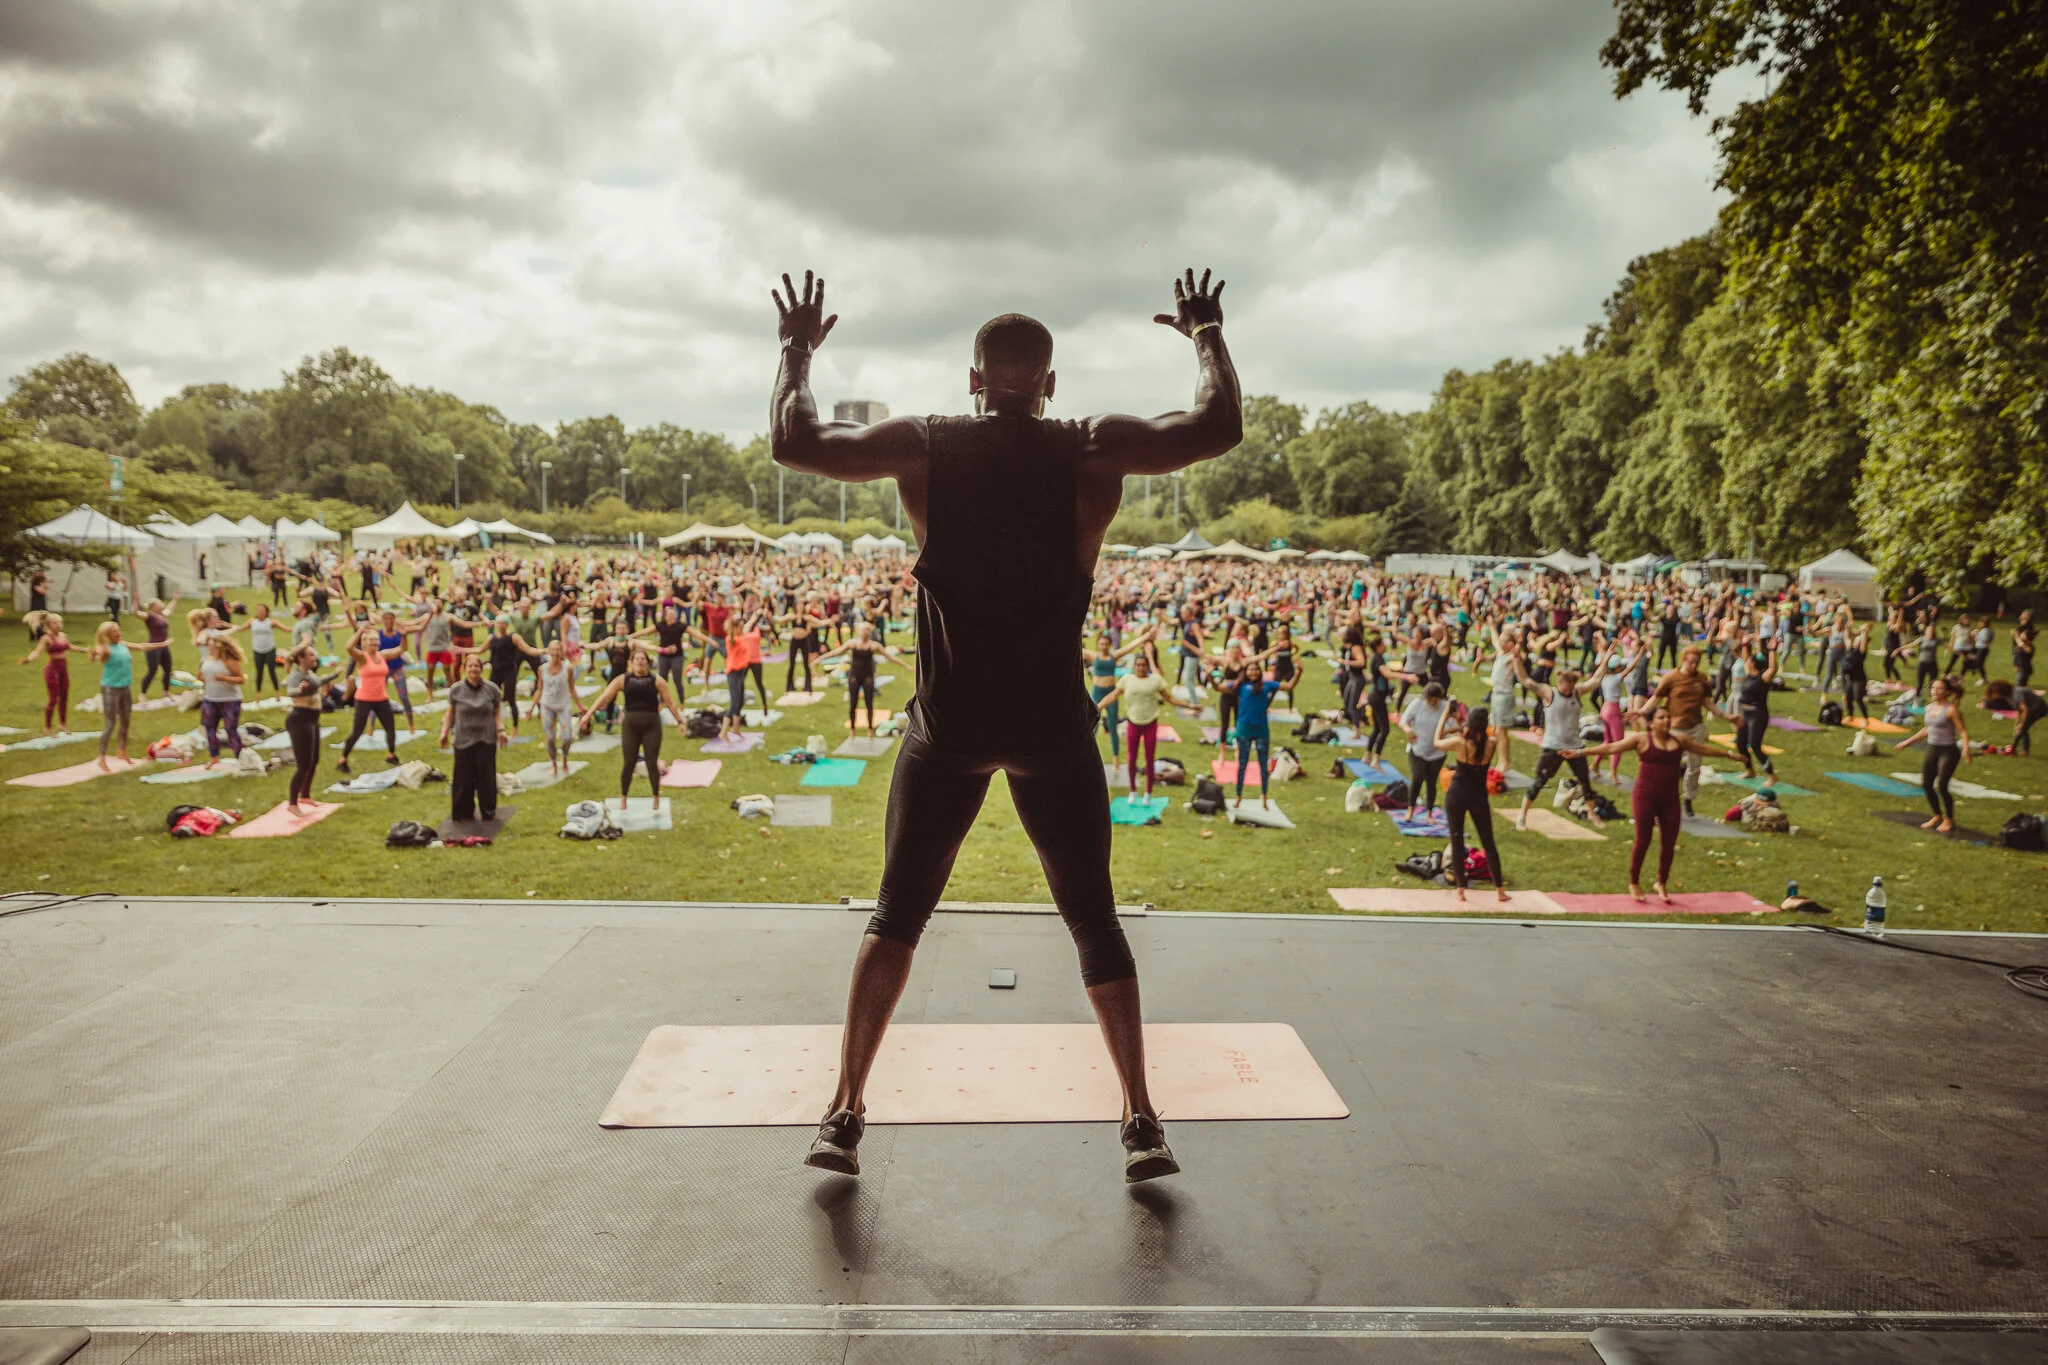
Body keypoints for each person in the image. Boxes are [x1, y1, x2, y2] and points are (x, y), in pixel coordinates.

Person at [770, 265, 1242, 1181]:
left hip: (948, 727)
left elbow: (795, 441)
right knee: (1096, 924)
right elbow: (1213, 427)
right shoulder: (1093, 447)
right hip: (1050, 728)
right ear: (1052, 384)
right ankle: (1142, 1118)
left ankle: (844, 1114)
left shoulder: (925, 445)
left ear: (974, 380)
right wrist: (1205, 335)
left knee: (895, 917)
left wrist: (797, 349)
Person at [1573, 710, 1722, 903]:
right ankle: (1634, 882)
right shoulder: (1642, 739)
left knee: (1669, 843)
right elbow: (1611, 748)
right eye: (1661, 717)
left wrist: (1730, 756)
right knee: (1643, 840)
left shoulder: (1680, 740)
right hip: (1645, 797)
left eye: (1668, 717)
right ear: (1651, 723)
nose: (1667, 720)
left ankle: (1661, 882)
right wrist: (1580, 752)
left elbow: (1702, 749)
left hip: (1670, 800)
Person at [1512, 648, 1617, 831]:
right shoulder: (1549, 693)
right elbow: (1525, 680)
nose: (1567, 690)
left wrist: (1606, 658)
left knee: (1585, 782)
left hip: (1574, 746)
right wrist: (1516, 659)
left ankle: (1593, 814)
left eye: (1569, 687)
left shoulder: (1577, 692)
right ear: (1559, 683)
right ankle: (1522, 815)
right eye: (1564, 687)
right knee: (1539, 782)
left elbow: (1595, 680)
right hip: (1552, 746)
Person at [577, 645, 687, 808]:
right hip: (630, 726)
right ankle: (623, 798)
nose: (640, 662)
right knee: (629, 763)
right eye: (637, 659)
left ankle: (655, 797)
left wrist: (680, 721)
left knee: (651, 763)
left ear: (648, 663)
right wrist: (588, 714)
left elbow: (670, 703)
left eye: (643, 659)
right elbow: (605, 698)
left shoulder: (657, 680)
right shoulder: (623, 679)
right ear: (631, 662)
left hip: (652, 725)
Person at [1434, 704, 1509, 904]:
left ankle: (1460, 889)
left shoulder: (1460, 743)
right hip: (1478, 796)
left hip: (1457, 794)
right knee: (1488, 842)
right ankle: (1500, 889)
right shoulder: (1491, 743)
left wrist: (1445, 715)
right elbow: (1494, 735)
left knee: (1457, 840)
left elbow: (1437, 741)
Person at [1647, 645, 1733, 818]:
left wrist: (1725, 715)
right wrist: (1641, 712)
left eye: (1697, 662)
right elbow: (1656, 698)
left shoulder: (1701, 678)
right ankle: (1664, 801)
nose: (1694, 665)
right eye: (1691, 662)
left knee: (1695, 766)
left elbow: (1707, 702)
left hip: (1696, 726)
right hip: (1676, 727)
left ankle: (1688, 798)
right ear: (1683, 660)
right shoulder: (1671, 678)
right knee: (1670, 766)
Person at [439, 654, 509, 824]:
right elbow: (450, 713)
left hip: (486, 739)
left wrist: (501, 730)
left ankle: (488, 811)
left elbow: (497, 713)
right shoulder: (456, 690)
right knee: (463, 779)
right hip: (463, 739)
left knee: (486, 778)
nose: (473, 669)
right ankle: (463, 813)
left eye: (476, 666)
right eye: (470, 666)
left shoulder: (492, 689)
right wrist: (444, 732)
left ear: (481, 669)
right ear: (464, 669)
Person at [1896, 676, 1971, 833]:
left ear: (1947, 692)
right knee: (1926, 784)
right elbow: (1927, 729)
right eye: (1933, 688)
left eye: (1939, 689)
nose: (1935, 691)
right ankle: (1937, 815)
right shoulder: (1929, 708)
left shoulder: (1951, 710)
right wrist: (1907, 741)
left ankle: (1949, 819)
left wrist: (1966, 748)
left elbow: (1962, 730)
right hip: (1932, 749)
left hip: (1948, 751)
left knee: (1943, 785)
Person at [88, 620, 167, 769]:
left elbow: (142, 646)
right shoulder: (105, 648)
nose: (119, 633)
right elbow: (99, 653)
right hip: (111, 689)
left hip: (125, 688)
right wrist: (95, 655)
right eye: (115, 631)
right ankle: (101, 757)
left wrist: (162, 644)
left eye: (119, 630)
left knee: (125, 721)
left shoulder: (122, 645)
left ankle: (122, 751)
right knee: (110, 723)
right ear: (107, 635)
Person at [335, 628, 406, 774]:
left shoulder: (383, 656)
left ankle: (391, 755)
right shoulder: (362, 657)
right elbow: (348, 647)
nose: (374, 642)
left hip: (381, 698)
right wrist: (360, 630)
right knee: (357, 731)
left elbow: (402, 649)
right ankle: (343, 759)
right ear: (364, 643)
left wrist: (403, 635)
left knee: (390, 729)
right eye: (371, 640)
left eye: (376, 640)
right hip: (364, 699)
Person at [1100, 651, 1168, 803]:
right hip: (1133, 723)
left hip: (1150, 723)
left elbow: (1169, 697)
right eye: (1138, 665)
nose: (1141, 668)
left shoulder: (1154, 680)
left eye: (1144, 665)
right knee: (1131, 759)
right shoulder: (1127, 680)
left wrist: (1189, 705)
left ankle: (1148, 793)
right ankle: (1133, 790)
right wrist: (1098, 706)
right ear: (1134, 666)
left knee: (1149, 758)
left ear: (1147, 667)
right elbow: (1113, 695)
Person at [818, 622, 903, 738]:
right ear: (859, 631)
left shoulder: (874, 646)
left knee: (869, 704)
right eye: (864, 629)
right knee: (853, 704)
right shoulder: (852, 644)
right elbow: (836, 652)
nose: (866, 632)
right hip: (854, 677)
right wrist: (820, 658)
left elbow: (890, 657)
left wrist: (905, 665)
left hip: (868, 677)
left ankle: (870, 730)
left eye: (868, 630)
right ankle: (852, 730)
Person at [281, 643, 339, 814]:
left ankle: (305, 795)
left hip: (313, 720)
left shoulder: (309, 673)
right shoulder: (296, 674)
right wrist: (298, 690)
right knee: (303, 764)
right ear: (301, 659)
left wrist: (335, 674)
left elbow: (318, 682)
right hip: (300, 720)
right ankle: (292, 803)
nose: (315, 658)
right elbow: (290, 690)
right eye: (311, 655)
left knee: (314, 760)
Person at [1222, 658, 1279, 808]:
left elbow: (1289, 686)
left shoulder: (1266, 685)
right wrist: (1209, 677)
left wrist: (1298, 673)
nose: (1253, 672)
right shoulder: (1241, 686)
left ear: (1260, 672)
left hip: (1261, 730)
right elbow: (1219, 688)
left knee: (1262, 764)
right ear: (1246, 673)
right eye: (1250, 670)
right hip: (1244, 729)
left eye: (1256, 669)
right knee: (1242, 764)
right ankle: (1238, 796)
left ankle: (1264, 796)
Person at [1396, 680, 1450, 819]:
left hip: (1437, 752)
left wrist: (1447, 733)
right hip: (1417, 748)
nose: (1432, 702)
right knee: (1417, 777)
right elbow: (1403, 721)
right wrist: (1409, 731)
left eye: (1435, 700)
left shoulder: (1445, 707)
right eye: (1429, 699)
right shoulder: (1417, 704)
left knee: (1431, 781)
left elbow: (1453, 726)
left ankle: (1429, 812)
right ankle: (1410, 809)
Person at [1730, 641, 1781, 781]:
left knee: (1754, 745)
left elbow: (1773, 667)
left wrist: (1772, 650)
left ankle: (1771, 776)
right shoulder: (1749, 675)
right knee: (1740, 743)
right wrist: (1745, 643)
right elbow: (1746, 656)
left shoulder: (1763, 678)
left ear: (1752, 664)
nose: (1745, 661)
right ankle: (1750, 770)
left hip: (1758, 715)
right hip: (1745, 714)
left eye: (1748, 661)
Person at [533, 640, 582, 777]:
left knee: (567, 737)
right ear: (548, 651)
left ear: (561, 652)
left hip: (563, 706)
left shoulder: (568, 668)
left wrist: (580, 706)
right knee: (549, 738)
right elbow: (539, 689)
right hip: (547, 706)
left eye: (557, 650)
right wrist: (531, 708)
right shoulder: (542, 669)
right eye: (552, 649)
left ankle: (564, 758)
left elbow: (572, 688)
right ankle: (553, 763)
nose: (555, 652)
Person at [197, 635, 247, 768]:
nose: (209, 648)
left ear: (218, 647)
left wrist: (224, 678)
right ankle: (214, 757)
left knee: (230, 729)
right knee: (210, 729)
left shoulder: (228, 660)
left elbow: (241, 679)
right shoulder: (206, 659)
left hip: (230, 700)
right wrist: (201, 677)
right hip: (210, 699)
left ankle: (240, 757)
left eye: (211, 646)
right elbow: (203, 677)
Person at [20, 612, 73, 734]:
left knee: (64, 697)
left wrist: (84, 650)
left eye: (59, 622)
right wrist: (29, 659)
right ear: (48, 625)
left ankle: (62, 724)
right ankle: (47, 727)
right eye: (55, 623)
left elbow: (68, 647)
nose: (58, 625)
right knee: (53, 699)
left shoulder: (63, 636)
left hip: (63, 670)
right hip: (52, 671)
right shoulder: (46, 638)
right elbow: (37, 651)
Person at [1985, 678, 2046, 756]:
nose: (1995, 696)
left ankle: (2015, 749)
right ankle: (2015, 748)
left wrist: (2021, 724)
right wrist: (2017, 723)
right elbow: (2018, 710)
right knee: (2020, 728)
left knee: (2023, 728)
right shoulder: (2008, 696)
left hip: (2038, 707)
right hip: (2030, 708)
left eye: (1995, 693)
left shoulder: (2017, 694)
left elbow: (2025, 710)